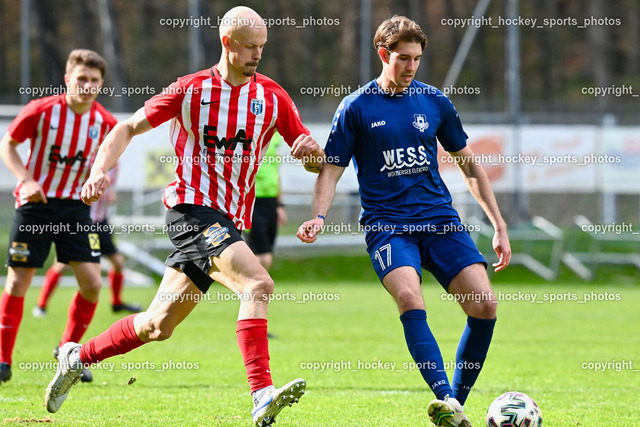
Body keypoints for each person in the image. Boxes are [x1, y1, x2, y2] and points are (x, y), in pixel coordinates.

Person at [44, 7, 324, 427]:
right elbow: (126, 128)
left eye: (262, 47)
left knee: (157, 326)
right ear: (227, 43)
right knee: (258, 283)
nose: (258, 54)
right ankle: (261, 394)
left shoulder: (272, 97)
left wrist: (312, 155)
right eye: (250, 46)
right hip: (190, 209)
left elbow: (315, 160)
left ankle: (77, 356)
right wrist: (98, 170)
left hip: (227, 221)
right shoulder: (190, 89)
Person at [297, 16, 511, 427]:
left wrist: (498, 225)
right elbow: (330, 170)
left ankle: (455, 406)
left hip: (439, 219)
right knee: (411, 298)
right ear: (384, 54)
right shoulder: (356, 107)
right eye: (403, 58)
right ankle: (445, 396)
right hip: (388, 225)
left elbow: (469, 165)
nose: (411, 66)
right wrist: (319, 217)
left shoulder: (434, 101)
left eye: (417, 58)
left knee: (484, 304)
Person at [0, 49, 117, 386]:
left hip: (75, 209)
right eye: (81, 79)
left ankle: (67, 353)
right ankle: (3, 359)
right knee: (18, 282)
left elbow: (112, 155)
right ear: (68, 80)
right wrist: (26, 179)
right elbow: (8, 144)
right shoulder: (42, 110)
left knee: (93, 284)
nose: (87, 85)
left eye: (94, 80)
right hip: (35, 205)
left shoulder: (105, 122)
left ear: (101, 84)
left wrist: (101, 178)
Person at [33, 164, 142, 317]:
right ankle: (41, 305)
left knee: (118, 262)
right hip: (82, 222)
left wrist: (109, 195)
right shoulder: (88, 160)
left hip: (101, 222)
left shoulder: (116, 165)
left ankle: (117, 303)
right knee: (63, 264)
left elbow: (109, 189)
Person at [246, 131, 287, 270]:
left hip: (271, 201)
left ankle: (252, 283)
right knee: (262, 254)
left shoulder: (276, 135)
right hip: (252, 200)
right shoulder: (249, 129)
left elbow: (276, 172)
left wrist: (279, 205)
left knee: (267, 251)